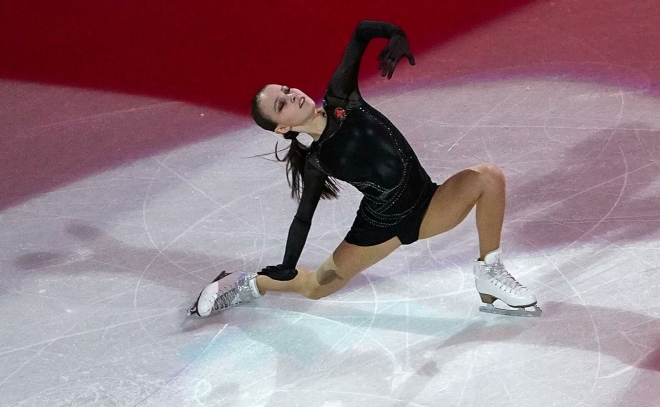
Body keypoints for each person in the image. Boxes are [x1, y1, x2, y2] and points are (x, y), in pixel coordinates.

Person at [188, 20, 540, 318]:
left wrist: (395, 33)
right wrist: (287, 264)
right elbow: (303, 217)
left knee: (487, 177)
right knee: (316, 287)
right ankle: (247, 284)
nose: (292, 95)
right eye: (282, 104)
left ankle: (489, 275)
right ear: (282, 128)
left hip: (429, 206)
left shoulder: (342, 97)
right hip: (378, 227)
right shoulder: (317, 161)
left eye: (287, 89)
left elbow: (360, 33)